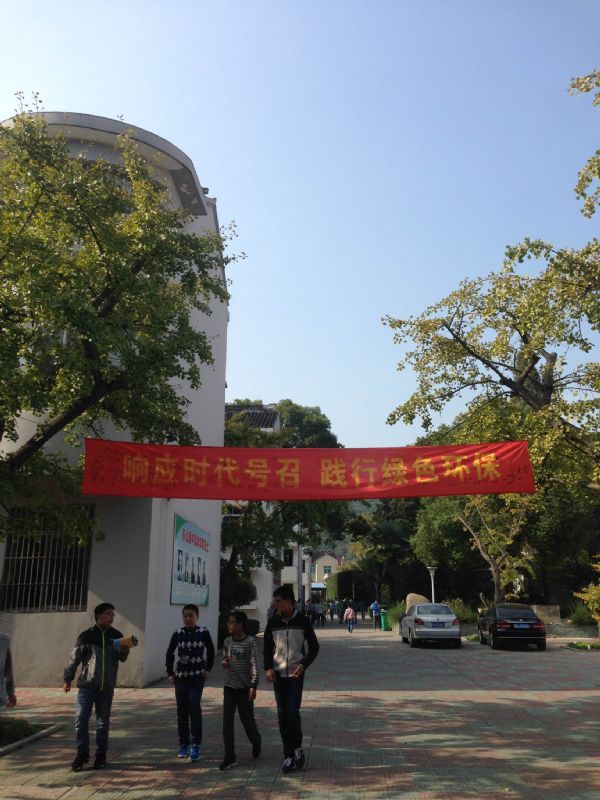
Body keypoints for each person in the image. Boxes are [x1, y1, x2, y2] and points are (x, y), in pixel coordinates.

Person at [63, 602, 130, 771]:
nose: (111, 617)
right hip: (87, 686)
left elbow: (122, 658)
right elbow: (74, 659)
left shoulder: (116, 636)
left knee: (102, 723)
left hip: (106, 687)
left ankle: (101, 756)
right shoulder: (86, 636)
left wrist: (125, 648)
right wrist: (68, 678)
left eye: (113, 614)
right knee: (80, 720)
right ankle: (82, 754)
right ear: (99, 616)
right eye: (108, 613)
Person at [264, 586, 319, 773]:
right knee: (282, 716)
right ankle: (288, 755)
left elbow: (314, 647)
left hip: (296, 674)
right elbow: (267, 648)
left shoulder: (303, 621)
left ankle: (297, 748)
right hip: (278, 675)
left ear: (290, 602)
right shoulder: (273, 623)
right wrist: (268, 668)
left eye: (279, 601)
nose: (276, 604)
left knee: (292, 712)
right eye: (275, 601)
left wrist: (303, 665)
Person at [166, 603, 215, 763]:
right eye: (185, 616)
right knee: (182, 711)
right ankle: (184, 744)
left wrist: (208, 669)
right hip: (181, 678)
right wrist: (170, 673)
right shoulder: (178, 633)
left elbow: (211, 650)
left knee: (194, 707)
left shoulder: (203, 632)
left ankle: (196, 744)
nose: (188, 619)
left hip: (197, 678)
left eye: (191, 616)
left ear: (197, 616)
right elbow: (170, 653)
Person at [219, 609, 261, 770]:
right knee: (227, 723)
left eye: (232, 622)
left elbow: (254, 664)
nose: (229, 625)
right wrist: (225, 662)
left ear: (241, 624)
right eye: (228, 622)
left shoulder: (250, 641)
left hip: (245, 688)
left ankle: (256, 741)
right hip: (229, 687)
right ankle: (230, 756)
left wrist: (253, 685)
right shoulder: (227, 641)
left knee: (247, 721)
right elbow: (225, 657)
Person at [0, 624, 16, 710]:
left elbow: (8, 668)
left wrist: (10, 692)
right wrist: (10, 692)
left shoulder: (4, 639)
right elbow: (8, 668)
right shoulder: (4, 639)